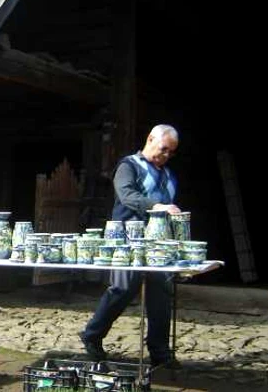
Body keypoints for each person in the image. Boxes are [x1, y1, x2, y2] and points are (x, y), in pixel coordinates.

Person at [79, 124, 181, 368]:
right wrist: (156, 207)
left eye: (171, 152)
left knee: (161, 295)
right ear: (150, 138)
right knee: (122, 288)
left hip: (158, 243)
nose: (166, 155)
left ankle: (160, 352)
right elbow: (127, 196)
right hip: (127, 239)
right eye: (164, 149)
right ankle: (92, 335)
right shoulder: (128, 166)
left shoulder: (169, 175)